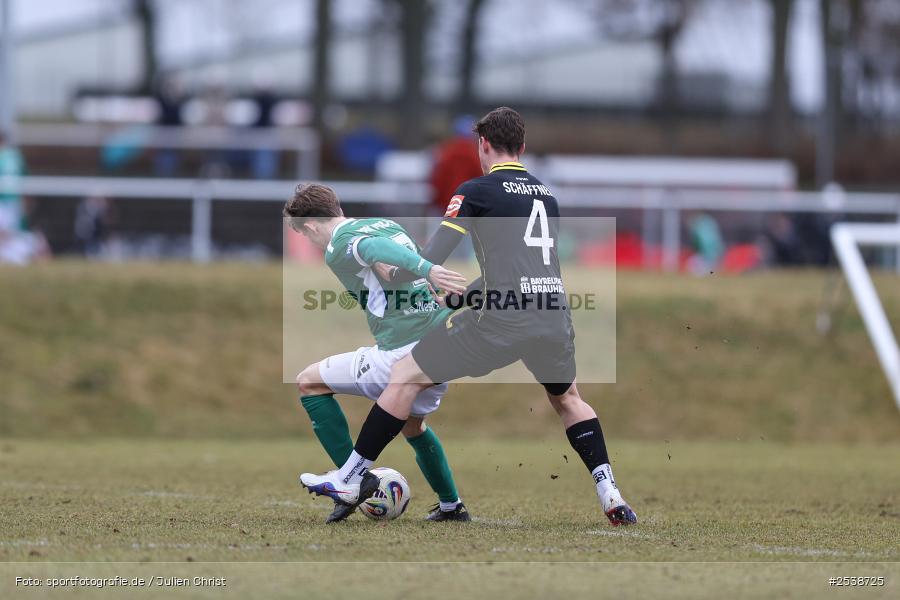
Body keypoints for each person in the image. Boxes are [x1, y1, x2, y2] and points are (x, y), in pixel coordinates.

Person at [300, 107, 638, 526]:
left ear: (483, 145)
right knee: (569, 400)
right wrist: (461, 298)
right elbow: (522, 269)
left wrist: (401, 274)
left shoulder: (475, 190)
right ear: (523, 147)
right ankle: (611, 494)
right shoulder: (545, 195)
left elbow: (434, 256)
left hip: (501, 320)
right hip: (551, 312)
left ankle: (350, 477)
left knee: (405, 375)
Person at [283, 183, 471, 522]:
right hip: (439, 341)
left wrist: (427, 269)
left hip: (402, 351)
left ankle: (352, 479)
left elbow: (370, 248)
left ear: (309, 226)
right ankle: (451, 506)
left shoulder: (340, 244)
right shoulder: (386, 223)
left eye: (306, 234)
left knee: (309, 382)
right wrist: (424, 274)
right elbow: (394, 264)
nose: (311, 241)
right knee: (412, 425)